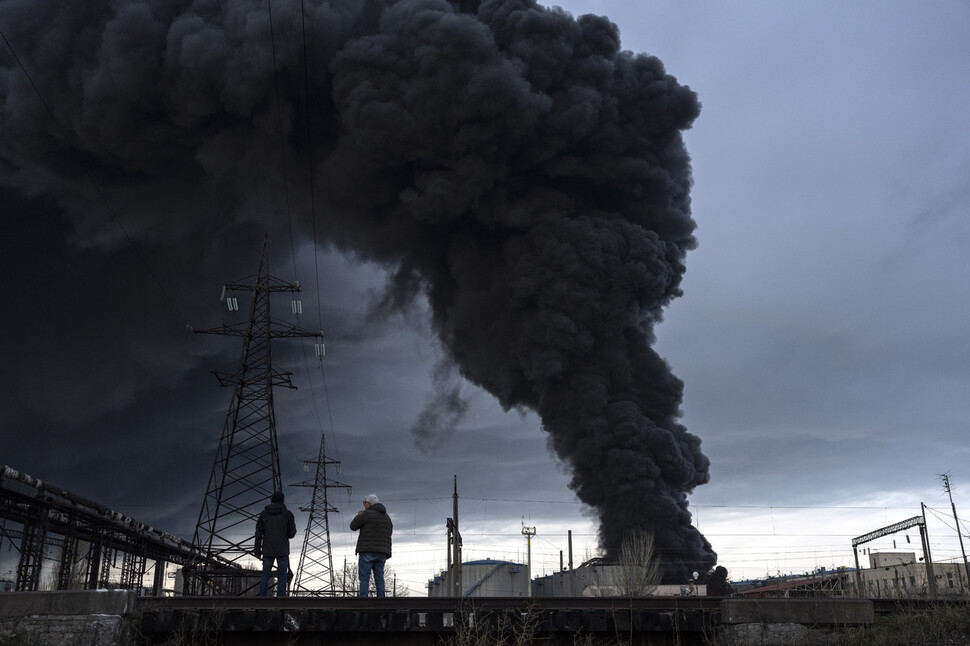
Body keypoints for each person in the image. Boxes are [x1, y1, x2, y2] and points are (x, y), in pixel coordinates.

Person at [254, 491, 296, 597]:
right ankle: (280, 600)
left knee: (265, 575)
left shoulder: (263, 514)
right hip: (282, 550)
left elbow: (258, 534)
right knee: (282, 575)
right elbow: (291, 534)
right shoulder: (288, 514)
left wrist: (257, 552)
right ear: (283, 500)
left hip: (268, 550)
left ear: (271, 500)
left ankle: (262, 599)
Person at [350, 493, 393, 597]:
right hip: (382, 552)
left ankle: (364, 601)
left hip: (367, 550)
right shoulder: (387, 518)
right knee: (379, 577)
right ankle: (381, 601)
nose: (364, 505)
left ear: (369, 503)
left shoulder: (366, 514)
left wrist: (359, 516)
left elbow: (353, 526)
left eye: (365, 503)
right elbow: (389, 532)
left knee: (364, 577)